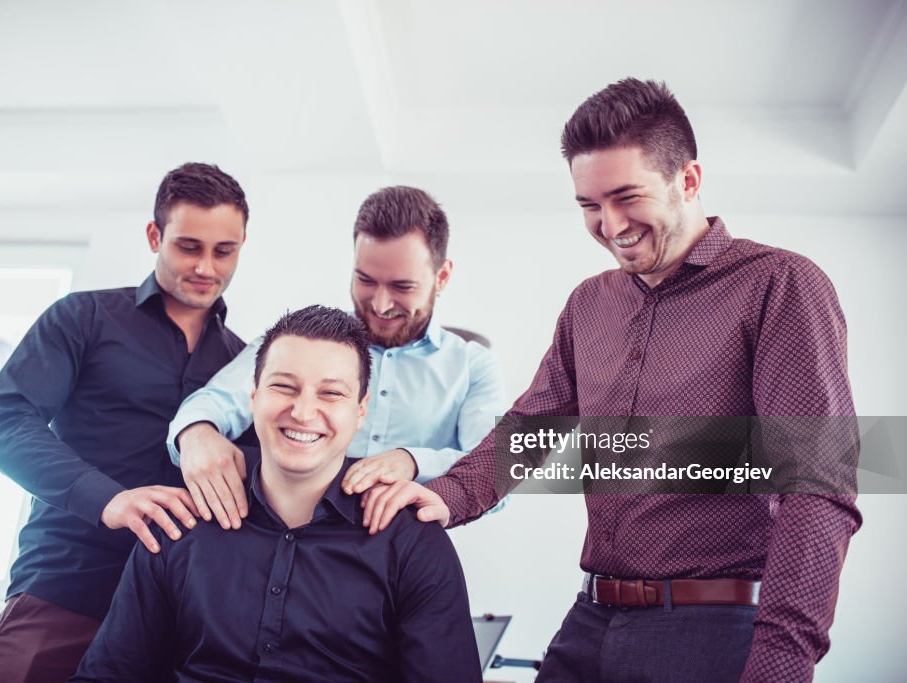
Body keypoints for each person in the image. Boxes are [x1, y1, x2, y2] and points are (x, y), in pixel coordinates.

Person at [362, 79, 861, 682]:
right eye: (589, 206)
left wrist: (781, 666)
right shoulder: (589, 304)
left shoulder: (779, 286)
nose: (610, 224)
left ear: (689, 180)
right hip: (592, 619)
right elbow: (531, 428)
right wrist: (447, 493)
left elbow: (819, 487)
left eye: (627, 197)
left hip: (715, 632)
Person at [71, 306, 482, 683]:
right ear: (253, 397)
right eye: (284, 387)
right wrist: (194, 431)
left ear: (361, 411)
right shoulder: (179, 530)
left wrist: (425, 468)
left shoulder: (412, 545)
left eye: (331, 393)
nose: (303, 412)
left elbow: (532, 448)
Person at [0, 162, 254, 682]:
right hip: (62, 589)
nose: (206, 268)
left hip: (174, 616)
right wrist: (107, 498)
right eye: (189, 247)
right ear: (155, 235)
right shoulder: (80, 318)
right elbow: (5, 423)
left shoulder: (244, 366)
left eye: (224, 251)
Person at [166, 185, 504, 529]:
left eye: (402, 287)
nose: (381, 304)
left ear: (441, 276)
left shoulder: (473, 366)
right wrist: (197, 434)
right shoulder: (300, 339)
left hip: (399, 560)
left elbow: (503, 468)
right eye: (366, 280)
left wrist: (414, 461)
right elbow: (213, 401)